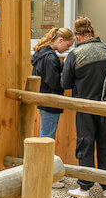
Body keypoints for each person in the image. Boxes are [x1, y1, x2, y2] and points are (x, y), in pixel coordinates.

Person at [60, 16, 106, 198]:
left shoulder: (75, 55)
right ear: (93, 33)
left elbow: (66, 83)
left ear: (78, 36)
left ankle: (84, 188)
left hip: (84, 105)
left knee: (85, 143)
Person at [30, 27, 75, 187]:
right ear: (60, 40)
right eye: (67, 45)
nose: (67, 49)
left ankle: (47, 173)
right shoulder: (50, 58)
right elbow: (54, 82)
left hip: (45, 101)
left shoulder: (43, 54)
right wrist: (65, 75)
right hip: (50, 102)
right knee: (47, 139)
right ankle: (46, 176)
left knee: (46, 136)